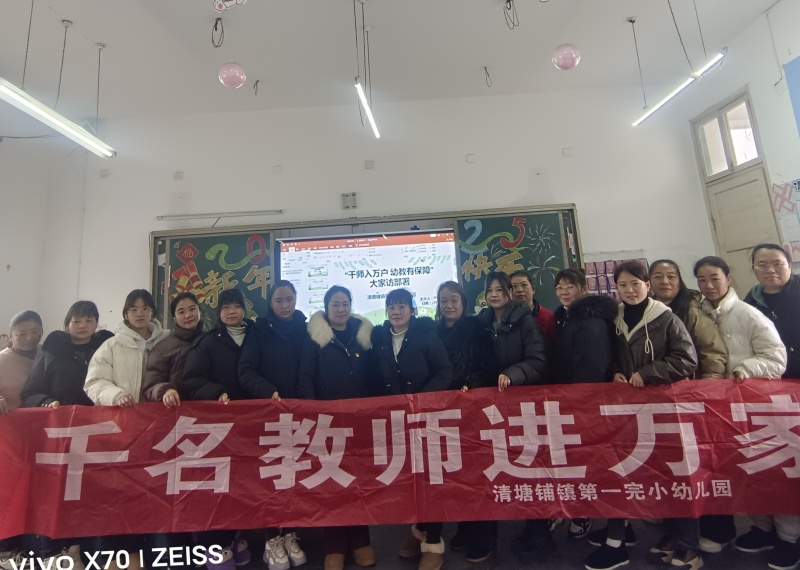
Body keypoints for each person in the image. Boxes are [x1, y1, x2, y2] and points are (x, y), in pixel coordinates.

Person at [586, 261, 698, 570]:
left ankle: (690, 547)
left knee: (676, 476)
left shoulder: (666, 318)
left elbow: (687, 359)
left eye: (635, 283)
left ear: (647, 286)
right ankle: (668, 538)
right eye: (623, 285)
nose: (630, 290)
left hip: (665, 410)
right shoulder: (615, 319)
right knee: (639, 475)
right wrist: (616, 373)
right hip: (629, 412)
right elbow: (611, 357)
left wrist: (647, 373)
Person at [694, 254, 796, 568]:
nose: (709, 285)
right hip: (722, 412)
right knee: (744, 471)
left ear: (729, 278)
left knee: (773, 471)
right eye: (702, 280)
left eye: (715, 278)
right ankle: (762, 529)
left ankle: (790, 539)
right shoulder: (698, 315)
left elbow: (776, 358)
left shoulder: (748, 314)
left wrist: (745, 369)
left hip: (758, 406)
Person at [83, 289, 171, 570]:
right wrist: (116, 394)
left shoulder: (168, 341)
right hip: (123, 434)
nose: (140, 313)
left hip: (163, 433)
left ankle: (160, 557)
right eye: (134, 309)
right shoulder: (111, 345)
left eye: (145, 308)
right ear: (126, 313)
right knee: (123, 495)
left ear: (153, 312)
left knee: (159, 496)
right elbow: (94, 382)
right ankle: (124, 557)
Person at [371, 288, 453, 570]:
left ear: (413, 310)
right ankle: (418, 530)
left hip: (426, 418)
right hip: (395, 422)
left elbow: (445, 371)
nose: (396, 311)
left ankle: (434, 541)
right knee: (409, 479)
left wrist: (420, 401)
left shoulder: (426, 335)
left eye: (402, 306)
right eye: (391, 306)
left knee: (430, 478)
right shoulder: (380, 339)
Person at [297, 286, 374, 570]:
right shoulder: (314, 338)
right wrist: (313, 415)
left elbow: (374, 376)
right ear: (326, 307)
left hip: (360, 421)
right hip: (326, 423)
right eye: (335, 305)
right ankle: (334, 545)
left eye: (345, 304)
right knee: (330, 483)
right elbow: (305, 378)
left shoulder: (364, 335)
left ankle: (361, 541)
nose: (340, 309)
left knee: (358, 482)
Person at [179, 288, 253, 569]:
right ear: (218, 312)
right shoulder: (207, 342)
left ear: (245, 309)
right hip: (218, 428)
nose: (232, 312)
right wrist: (217, 392)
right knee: (217, 487)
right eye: (226, 307)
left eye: (237, 306)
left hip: (252, 425)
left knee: (244, 485)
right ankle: (215, 544)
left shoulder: (257, 336)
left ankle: (235, 537)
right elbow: (190, 381)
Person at [476, 272, 548, 563]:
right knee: (494, 469)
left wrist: (512, 374)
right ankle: (494, 534)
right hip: (491, 410)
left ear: (508, 292)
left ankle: (539, 533)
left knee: (530, 468)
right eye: (489, 290)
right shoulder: (480, 324)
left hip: (522, 406)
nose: (494, 294)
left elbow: (538, 361)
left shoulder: (525, 321)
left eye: (499, 289)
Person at [237, 280, 308, 570]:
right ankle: (271, 538)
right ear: (271, 302)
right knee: (270, 479)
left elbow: (311, 369)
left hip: (300, 415)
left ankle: (290, 533)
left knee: (295, 478)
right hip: (268, 416)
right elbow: (245, 372)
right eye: (279, 300)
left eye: (289, 299)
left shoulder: (305, 328)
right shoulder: (258, 331)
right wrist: (270, 393)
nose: (285, 305)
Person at [550, 269, 618, 542]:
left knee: (588, 463)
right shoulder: (566, 318)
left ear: (583, 288)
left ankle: (586, 513)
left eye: (570, 286)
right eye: (559, 287)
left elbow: (591, 368)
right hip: (570, 402)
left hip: (585, 405)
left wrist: (580, 404)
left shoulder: (591, 321)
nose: (564, 291)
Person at [434, 281, 496, 555]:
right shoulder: (434, 331)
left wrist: (469, 387)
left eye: (454, 300)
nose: (449, 305)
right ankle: (465, 524)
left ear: (463, 302)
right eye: (443, 300)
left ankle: (484, 533)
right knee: (455, 472)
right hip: (444, 413)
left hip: (473, 409)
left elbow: (486, 366)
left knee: (477, 471)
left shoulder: (476, 329)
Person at [22, 301, 113, 408]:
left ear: (96, 323)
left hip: (101, 414)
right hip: (62, 414)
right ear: (67, 324)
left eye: (88, 321)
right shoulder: (53, 349)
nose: (82, 326)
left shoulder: (107, 348)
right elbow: (30, 393)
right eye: (76, 321)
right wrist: (47, 402)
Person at [649, 259, 728, 379]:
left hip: (688, 382)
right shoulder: (647, 310)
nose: (664, 281)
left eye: (671, 277)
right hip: (654, 380)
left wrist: (712, 378)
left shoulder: (691, 310)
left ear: (679, 281)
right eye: (658, 277)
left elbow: (711, 350)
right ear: (648, 282)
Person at [141, 292, 205, 407]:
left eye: (192, 309)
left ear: (199, 310)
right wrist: (166, 391)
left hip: (210, 408)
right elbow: (150, 386)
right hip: (177, 410)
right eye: (181, 312)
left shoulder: (211, 340)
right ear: (174, 317)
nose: (188, 315)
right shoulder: (163, 348)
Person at [0, 311, 44, 414]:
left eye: (35, 332)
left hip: (46, 418)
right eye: (22, 334)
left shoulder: (47, 353)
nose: (29, 338)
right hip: (12, 420)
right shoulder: (2, 360)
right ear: (10, 336)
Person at [510, 270, 556, 343]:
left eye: (524, 285)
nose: (519, 290)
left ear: (533, 289)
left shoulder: (549, 317)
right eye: (514, 286)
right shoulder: (503, 319)